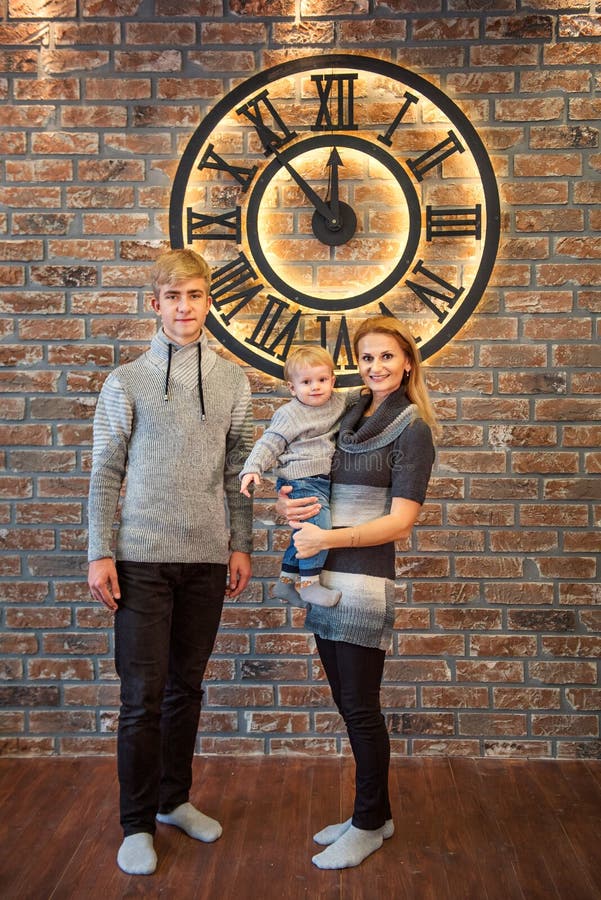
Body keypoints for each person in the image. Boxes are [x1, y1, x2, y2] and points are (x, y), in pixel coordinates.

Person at [87, 248, 253, 876]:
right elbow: (106, 471)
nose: (185, 308)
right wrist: (100, 550)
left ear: (209, 302)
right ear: (155, 304)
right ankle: (135, 823)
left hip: (208, 560)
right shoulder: (125, 381)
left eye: (196, 296)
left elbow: (240, 469)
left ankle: (173, 800)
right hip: (141, 561)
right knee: (142, 696)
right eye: (173, 297)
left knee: (187, 688)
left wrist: (241, 544)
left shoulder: (234, 380)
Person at [276, 315, 437, 870]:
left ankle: (367, 824)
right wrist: (287, 504)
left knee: (362, 709)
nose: (376, 367)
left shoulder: (413, 427)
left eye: (387, 357)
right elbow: (306, 475)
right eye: (367, 358)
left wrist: (328, 535)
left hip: (364, 581)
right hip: (325, 573)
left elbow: (400, 524)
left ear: (407, 362)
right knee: (348, 704)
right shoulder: (345, 414)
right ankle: (377, 813)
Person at [239, 346, 345, 608]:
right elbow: (270, 442)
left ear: (332, 380)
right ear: (292, 387)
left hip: (320, 480)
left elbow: (363, 394)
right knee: (318, 530)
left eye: (322, 380)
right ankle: (310, 585)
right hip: (300, 480)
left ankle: (285, 583)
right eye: (306, 382)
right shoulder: (290, 414)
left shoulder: (339, 401)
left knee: (302, 533)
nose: (316, 387)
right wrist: (253, 467)